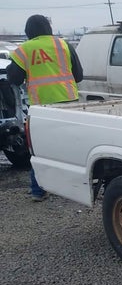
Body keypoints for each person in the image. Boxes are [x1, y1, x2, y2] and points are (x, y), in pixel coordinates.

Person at [7, 14, 83, 201]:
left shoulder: (24, 50)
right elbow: (79, 75)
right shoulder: (63, 45)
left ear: (28, 32)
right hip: (69, 102)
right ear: (48, 28)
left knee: (40, 148)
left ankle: (38, 190)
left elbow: (14, 79)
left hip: (42, 106)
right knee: (72, 145)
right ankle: (76, 188)